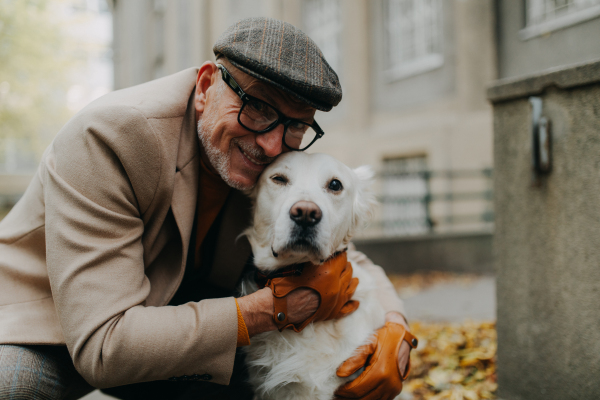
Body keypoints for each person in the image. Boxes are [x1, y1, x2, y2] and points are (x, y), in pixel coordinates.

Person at [0, 17, 414, 399]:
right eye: (258, 108)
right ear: (204, 88)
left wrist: (396, 323)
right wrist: (274, 310)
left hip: (184, 321)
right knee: (10, 387)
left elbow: (345, 250)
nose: (272, 145)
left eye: (296, 125)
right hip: (55, 327)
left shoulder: (259, 160)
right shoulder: (110, 138)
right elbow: (105, 348)